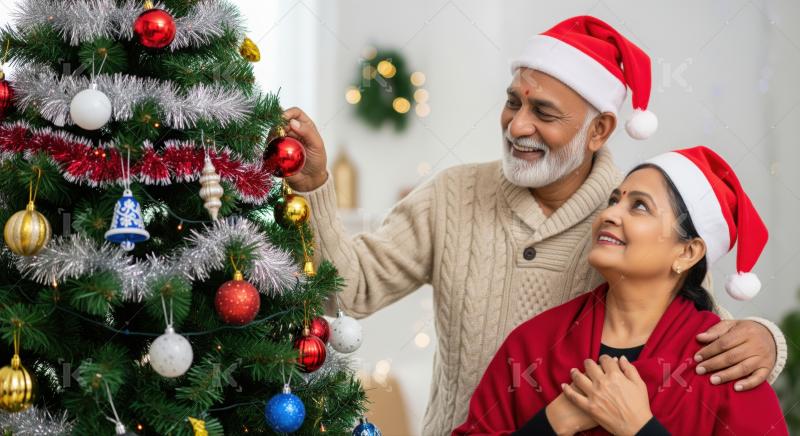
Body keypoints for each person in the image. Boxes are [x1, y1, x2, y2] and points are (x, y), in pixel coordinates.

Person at [282, 16, 786, 434]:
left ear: (600, 130)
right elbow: (349, 292)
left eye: (543, 111)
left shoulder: (632, 234)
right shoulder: (453, 194)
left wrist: (767, 338)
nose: (517, 125)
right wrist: (315, 188)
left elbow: (697, 321)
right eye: (513, 102)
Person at [454, 146, 788, 435]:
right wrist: (553, 423)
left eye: (639, 206)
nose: (610, 213)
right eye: (615, 199)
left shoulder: (725, 365)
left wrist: (640, 428)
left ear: (687, 252)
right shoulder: (532, 344)